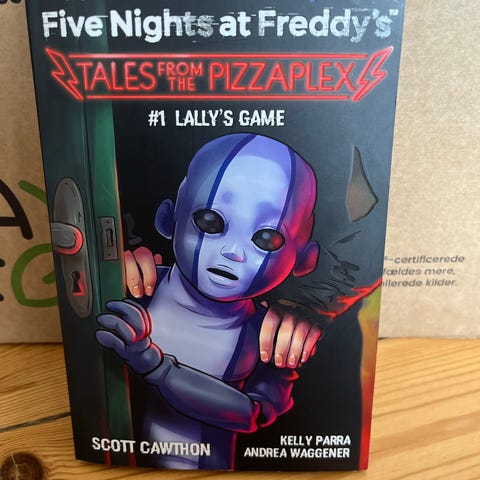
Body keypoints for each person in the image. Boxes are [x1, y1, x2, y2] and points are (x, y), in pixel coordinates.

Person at [97, 133, 321, 469]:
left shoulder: (271, 335)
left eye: (265, 238)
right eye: (210, 221)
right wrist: (106, 277)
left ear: (303, 258)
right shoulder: (138, 285)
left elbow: (254, 413)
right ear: (168, 218)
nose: (233, 252)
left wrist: (157, 367)